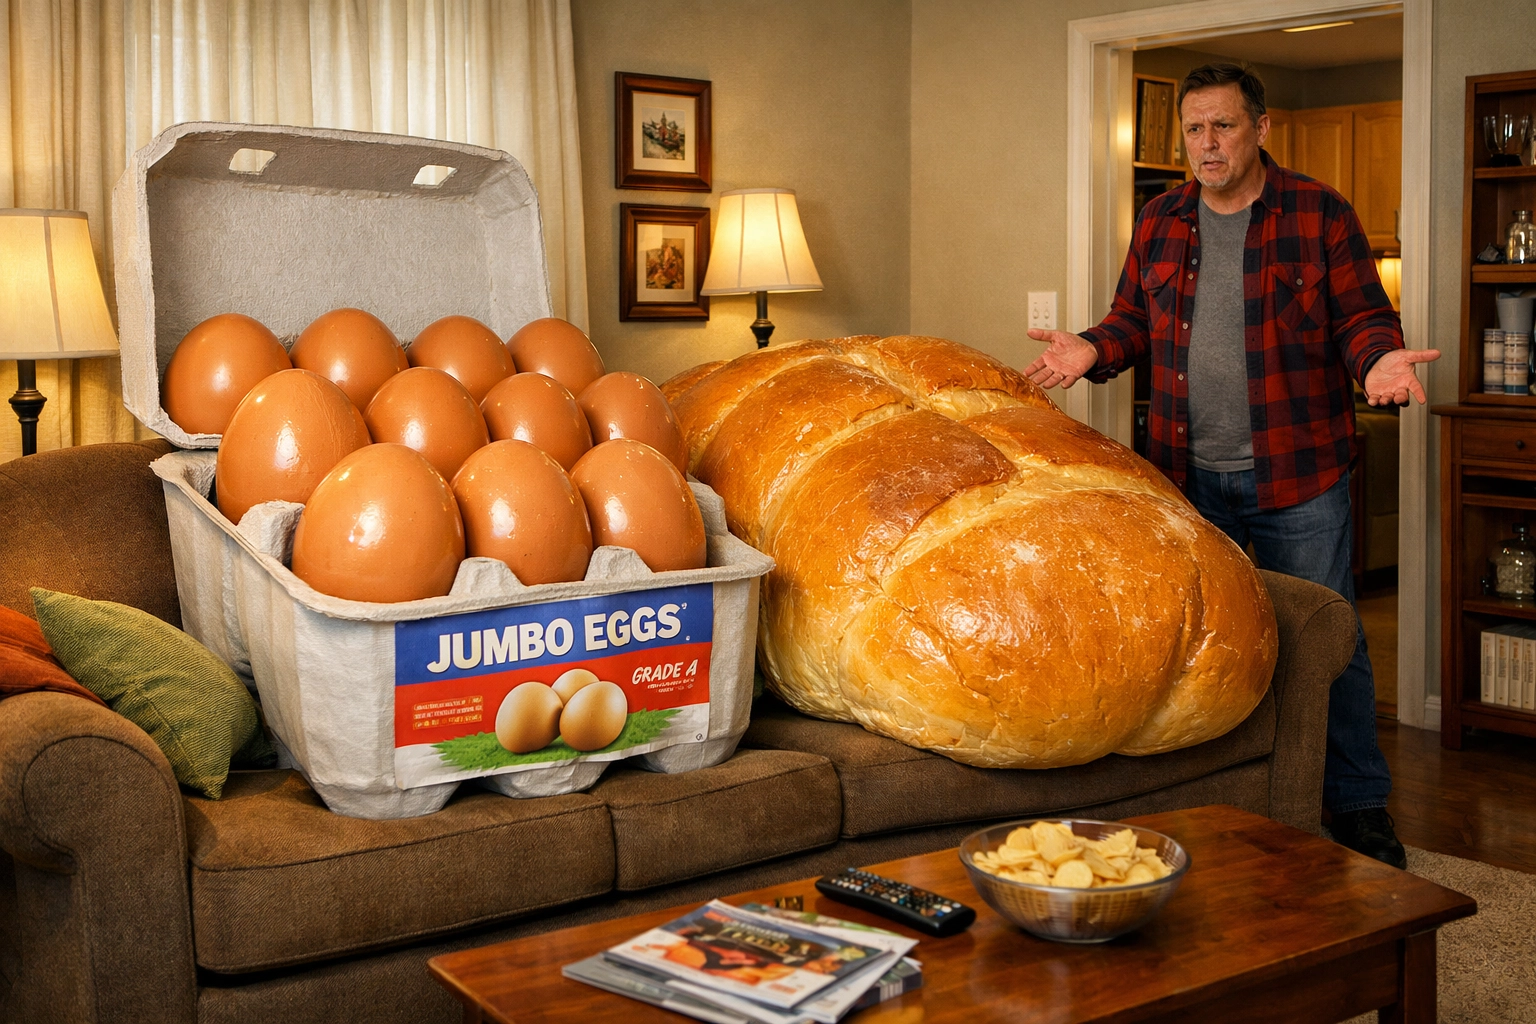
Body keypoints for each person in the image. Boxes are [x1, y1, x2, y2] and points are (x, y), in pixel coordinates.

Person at [1023, 62, 1438, 869]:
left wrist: (1378, 360)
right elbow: (1131, 320)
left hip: (1298, 475)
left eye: (1224, 125)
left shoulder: (1318, 212)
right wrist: (1092, 348)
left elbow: (1362, 317)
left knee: (1329, 637)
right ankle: (1221, 796)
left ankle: (1357, 802)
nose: (1207, 144)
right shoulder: (1160, 219)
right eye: (1194, 129)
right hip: (1183, 477)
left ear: (1261, 128)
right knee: (1200, 640)